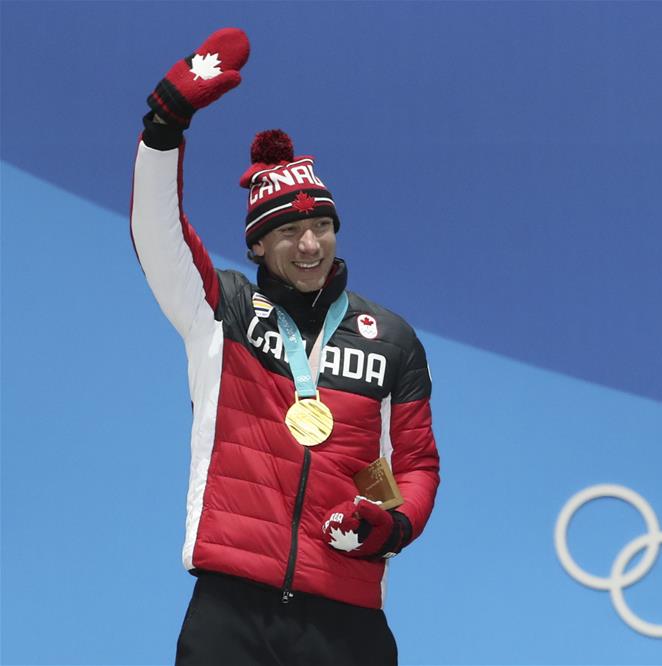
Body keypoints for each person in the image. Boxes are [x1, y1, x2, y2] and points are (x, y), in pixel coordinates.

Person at [130, 28, 440, 665]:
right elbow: (155, 231)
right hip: (230, 613)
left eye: (322, 226)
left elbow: (414, 467)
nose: (310, 245)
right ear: (256, 246)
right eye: (291, 230)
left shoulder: (393, 340)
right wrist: (164, 126)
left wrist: (391, 524)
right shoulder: (222, 311)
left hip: (346, 619)